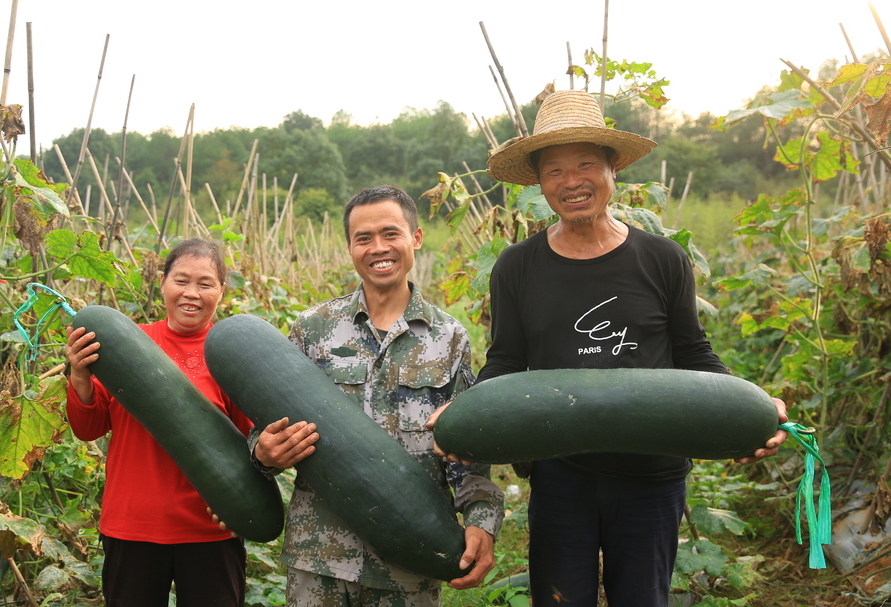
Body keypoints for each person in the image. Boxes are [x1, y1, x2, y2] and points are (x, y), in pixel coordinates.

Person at [429, 90, 789, 607]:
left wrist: (753, 405)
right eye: (553, 170)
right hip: (560, 473)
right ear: (538, 183)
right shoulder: (517, 266)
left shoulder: (663, 258)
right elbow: (506, 361)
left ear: (613, 169)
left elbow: (693, 352)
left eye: (585, 164)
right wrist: (467, 413)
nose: (571, 181)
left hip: (652, 475)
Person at [248, 185, 505, 607]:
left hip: (411, 561)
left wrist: (482, 521)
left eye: (391, 233)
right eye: (363, 238)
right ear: (349, 246)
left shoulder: (449, 337)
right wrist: (263, 452)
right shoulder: (312, 329)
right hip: (320, 558)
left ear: (416, 238)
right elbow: (267, 426)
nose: (378, 248)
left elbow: (467, 450)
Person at [65, 238, 248, 607]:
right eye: (181, 281)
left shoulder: (232, 354)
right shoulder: (126, 343)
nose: (191, 294)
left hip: (210, 530)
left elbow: (249, 444)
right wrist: (80, 377)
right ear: (162, 282)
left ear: (222, 290)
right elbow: (89, 428)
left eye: (205, 283)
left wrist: (242, 506)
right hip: (133, 526)